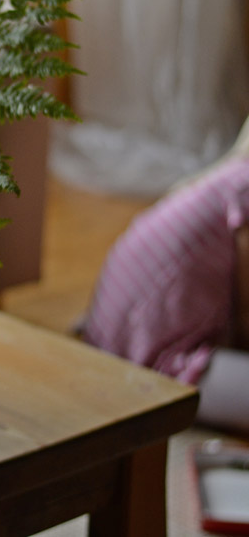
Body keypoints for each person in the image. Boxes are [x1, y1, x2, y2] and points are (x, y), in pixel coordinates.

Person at [79, 156, 249, 435]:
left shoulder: (231, 176)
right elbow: (247, 315)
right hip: (148, 365)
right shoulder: (244, 190)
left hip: (112, 339)